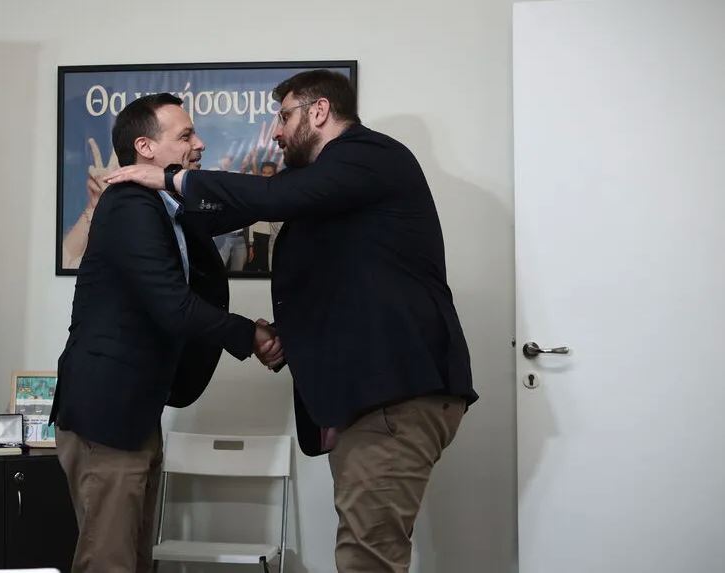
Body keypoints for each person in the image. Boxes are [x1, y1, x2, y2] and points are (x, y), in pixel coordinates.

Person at [105, 70, 476, 573]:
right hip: (375, 397)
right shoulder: (328, 186)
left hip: (393, 393)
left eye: (283, 117)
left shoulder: (370, 154)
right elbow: (243, 216)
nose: (276, 133)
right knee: (366, 549)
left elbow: (269, 198)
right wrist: (153, 202)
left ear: (318, 111)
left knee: (367, 558)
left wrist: (171, 179)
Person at [49, 93, 279, 573]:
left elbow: (239, 200)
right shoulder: (129, 204)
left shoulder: (167, 203)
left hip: (134, 411)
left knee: (134, 559)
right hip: (107, 414)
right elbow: (172, 305)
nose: (200, 143)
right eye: (186, 135)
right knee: (109, 560)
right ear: (145, 147)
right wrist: (250, 337)